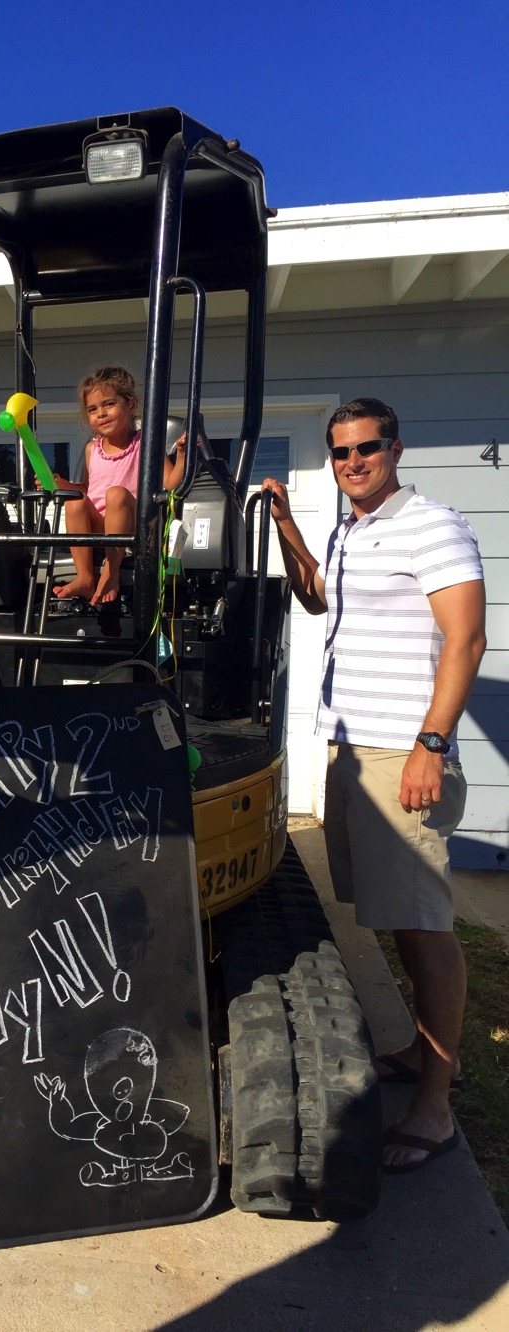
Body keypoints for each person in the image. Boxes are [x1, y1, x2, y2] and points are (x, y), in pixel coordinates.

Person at [262, 397, 486, 1175]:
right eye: (341, 452)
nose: (353, 462)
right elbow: (318, 598)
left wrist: (431, 745)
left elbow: (467, 637)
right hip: (353, 750)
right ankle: (415, 1050)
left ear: (395, 446)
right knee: (394, 917)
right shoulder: (351, 529)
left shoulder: (434, 526)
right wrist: (290, 527)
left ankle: (437, 1104)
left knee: (425, 927)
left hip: (403, 754)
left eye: (367, 448)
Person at [48, 366, 187, 605]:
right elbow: (88, 491)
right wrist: (62, 484)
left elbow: (170, 483)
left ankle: (111, 573)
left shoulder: (146, 443)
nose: (100, 413)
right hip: (100, 526)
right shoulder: (93, 449)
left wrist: (183, 456)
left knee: (116, 495)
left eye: (109, 404)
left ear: (130, 405)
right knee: (74, 500)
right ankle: (85, 577)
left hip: (134, 525)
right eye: (93, 409)